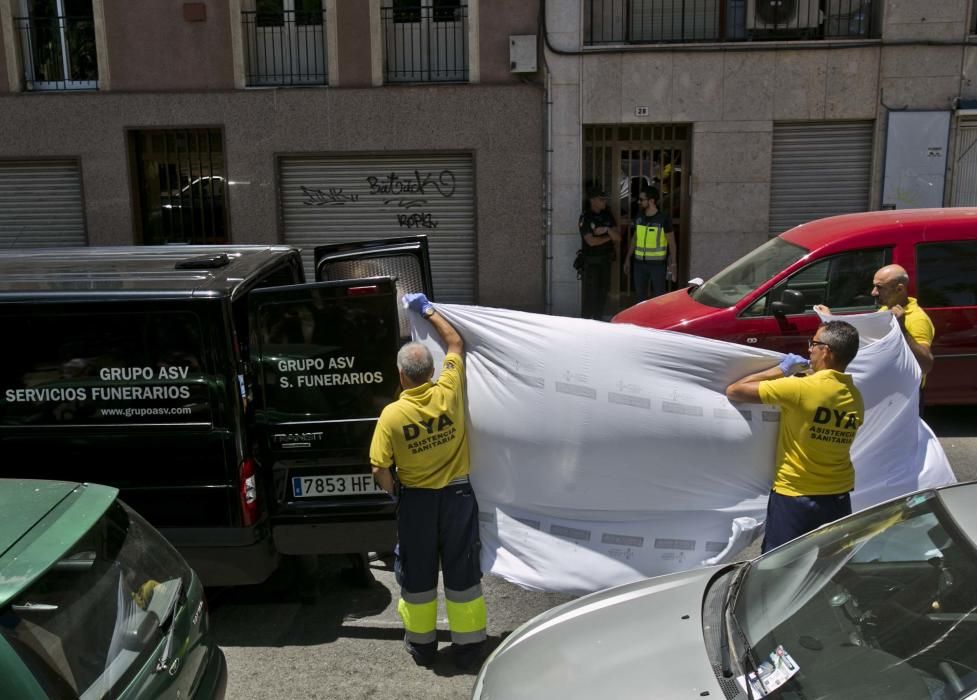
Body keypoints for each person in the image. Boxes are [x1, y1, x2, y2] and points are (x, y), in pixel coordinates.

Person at [369, 293, 485, 669]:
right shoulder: (449, 390)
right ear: (431, 371)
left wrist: (395, 493)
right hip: (458, 497)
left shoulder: (391, 415)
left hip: (417, 501)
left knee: (418, 574)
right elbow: (455, 342)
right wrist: (427, 309)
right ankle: (468, 646)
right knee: (462, 570)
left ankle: (422, 646)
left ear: (401, 375)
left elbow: (379, 468)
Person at [726, 320, 864, 553]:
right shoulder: (855, 396)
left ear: (826, 351)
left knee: (778, 567)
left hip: (796, 496)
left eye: (814, 343)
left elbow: (735, 390)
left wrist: (781, 369)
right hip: (838, 497)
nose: (809, 349)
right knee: (827, 566)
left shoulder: (801, 389)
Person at [816, 263, 934, 404]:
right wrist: (831, 319)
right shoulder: (886, 309)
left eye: (879, 287)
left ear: (899, 289)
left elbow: (925, 365)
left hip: (904, 396)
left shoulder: (917, 319)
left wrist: (901, 328)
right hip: (885, 392)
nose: (873, 292)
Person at [624, 187, 676, 302]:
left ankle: (659, 320)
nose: (639, 202)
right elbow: (634, 239)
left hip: (657, 266)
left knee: (660, 298)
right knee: (640, 298)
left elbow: (672, 243)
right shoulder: (639, 217)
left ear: (651, 201)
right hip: (639, 265)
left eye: (642, 199)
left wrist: (673, 264)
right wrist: (628, 258)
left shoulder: (663, 219)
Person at [578, 187, 620, 320]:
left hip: (605, 261)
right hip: (591, 263)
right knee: (591, 294)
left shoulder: (607, 215)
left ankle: (598, 319)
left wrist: (606, 230)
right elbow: (591, 241)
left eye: (605, 199)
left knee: (603, 293)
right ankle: (585, 321)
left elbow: (618, 237)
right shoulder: (586, 217)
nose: (604, 202)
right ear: (593, 200)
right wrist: (609, 236)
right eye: (601, 199)